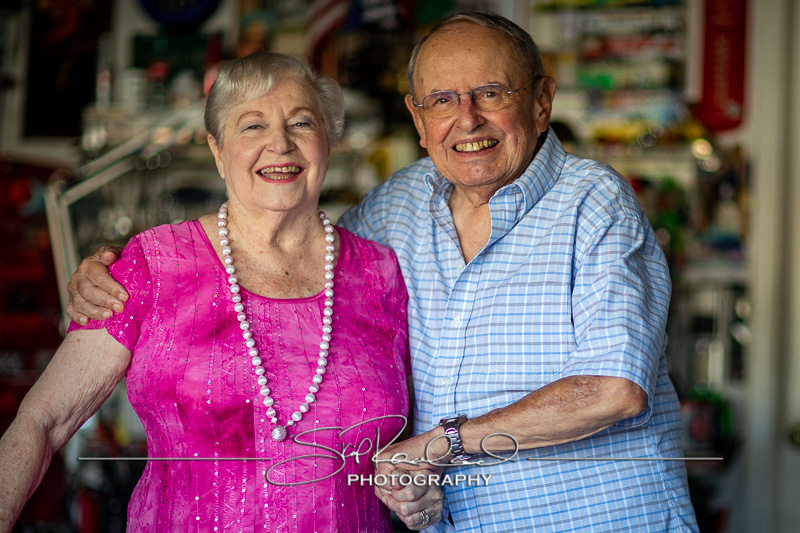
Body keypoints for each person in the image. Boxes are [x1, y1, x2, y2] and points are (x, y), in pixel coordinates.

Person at [62, 12, 699, 532]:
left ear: (541, 102)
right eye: (442, 101)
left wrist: (438, 443)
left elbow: (616, 389)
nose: (467, 119)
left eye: (492, 94)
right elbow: (278, 236)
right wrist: (126, 259)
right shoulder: (396, 209)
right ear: (418, 121)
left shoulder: (597, 202)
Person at [0, 51, 443, 532]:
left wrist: (418, 488)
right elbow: (43, 422)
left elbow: (410, 445)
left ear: (328, 143)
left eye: (301, 123)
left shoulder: (381, 275)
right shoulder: (155, 265)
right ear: (217, 150)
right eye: (252, 126)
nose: (280, 143)